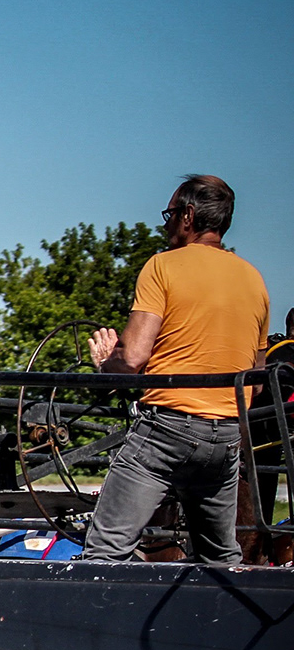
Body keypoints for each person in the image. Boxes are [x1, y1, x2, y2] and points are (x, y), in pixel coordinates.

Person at [83, 175, 271, 563]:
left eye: (170, 214)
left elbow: (132, 358)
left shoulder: (162, 267)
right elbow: (256, 376)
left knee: (105, 551)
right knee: (220, 558)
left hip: (166, 432)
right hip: (226, 438)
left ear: (188, 216)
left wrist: (106, 365)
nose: (165, 223)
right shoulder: (255, 281)